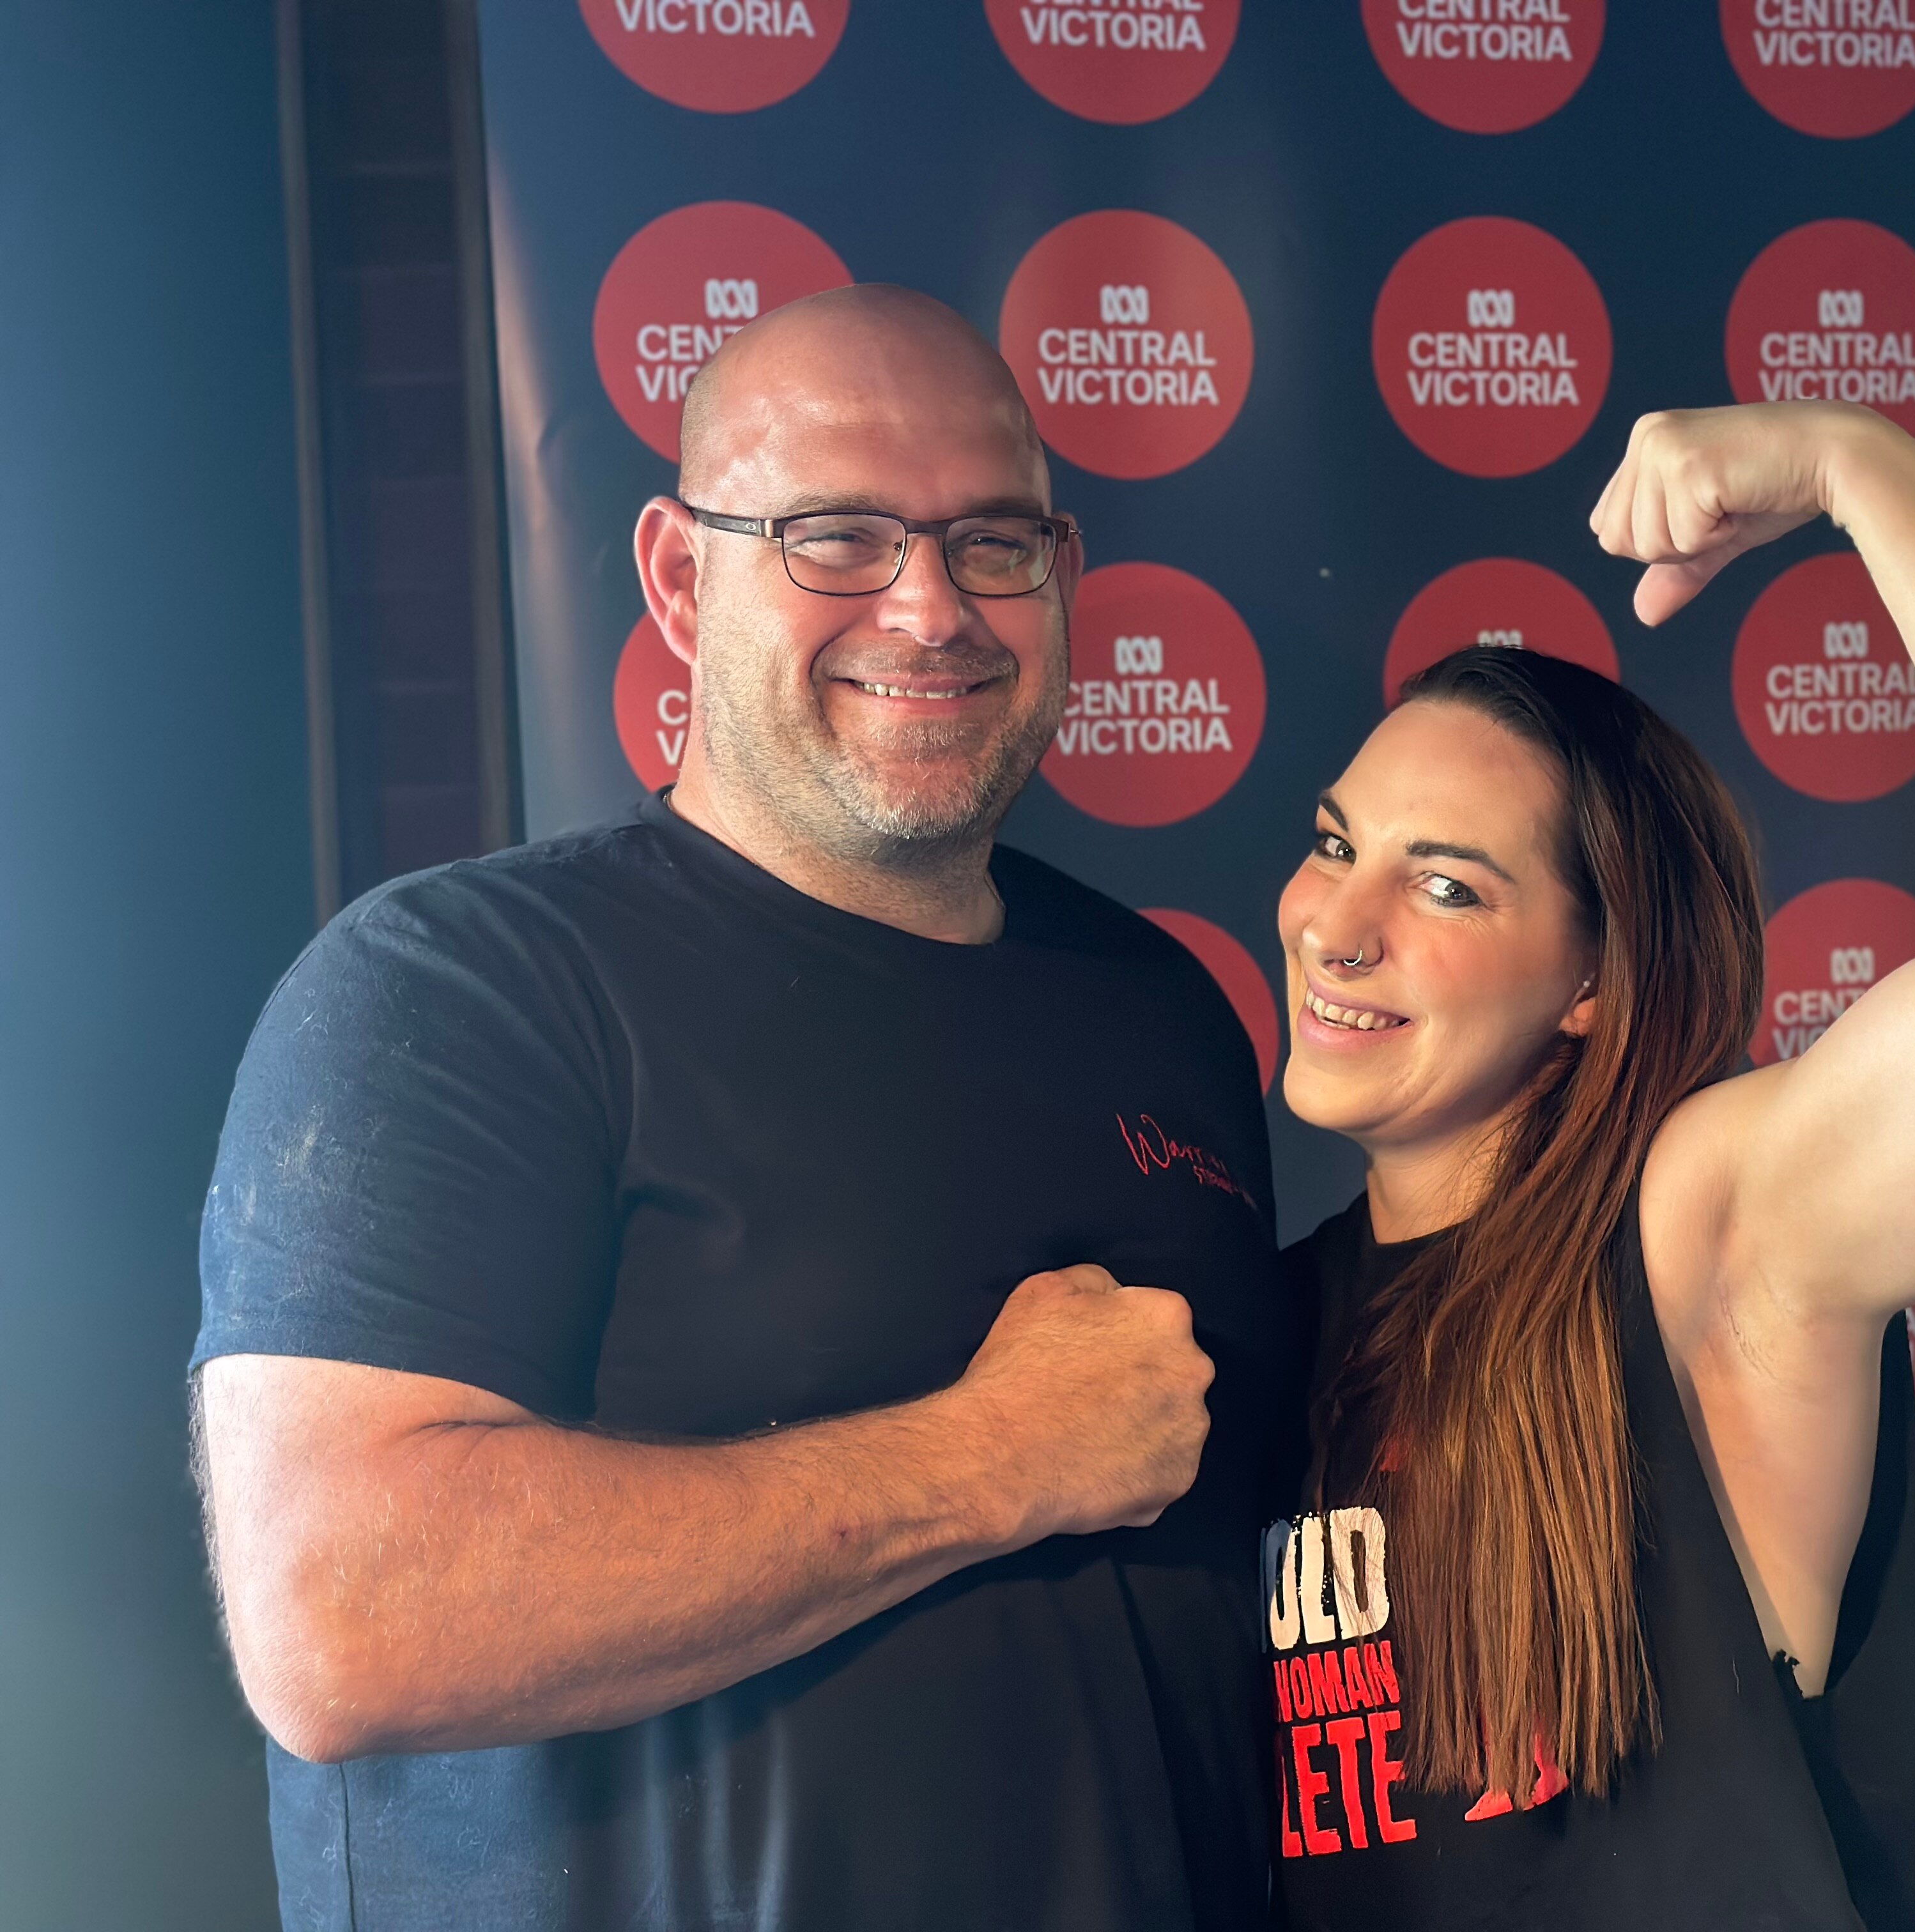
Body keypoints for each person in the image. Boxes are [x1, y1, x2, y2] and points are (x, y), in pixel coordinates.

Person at [191, 286, 1302, 1931]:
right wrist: (986, 1460)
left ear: (1060, 578)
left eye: (993, 540)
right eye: (836, 537)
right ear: (675, 574)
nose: (931, 609)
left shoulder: (1164, 1007)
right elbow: (346, 1614)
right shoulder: (460, 988)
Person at [1259, 401, 1915, 1929]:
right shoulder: (1269, 1327)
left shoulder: (1698, 1232)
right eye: (1338, 843)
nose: (1339, 923)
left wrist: (1858, 467)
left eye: (1446, 885)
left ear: (1591, 982)